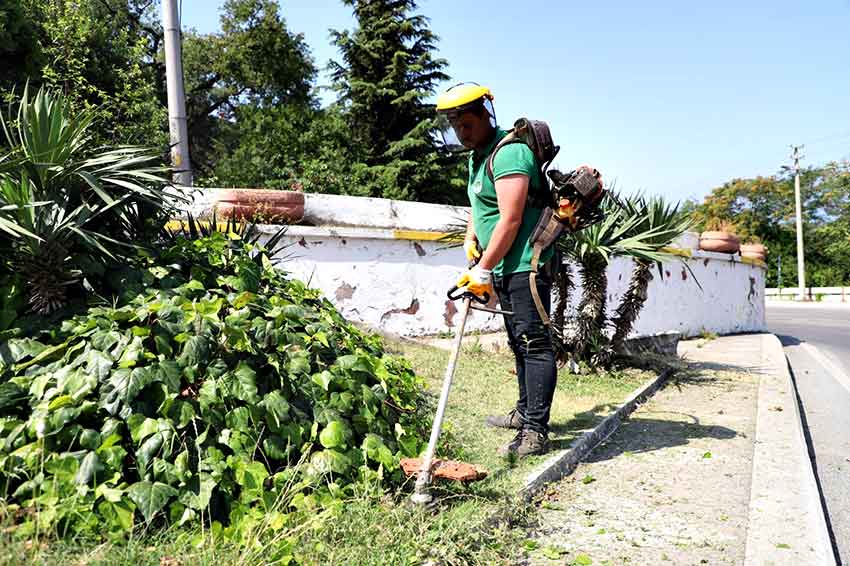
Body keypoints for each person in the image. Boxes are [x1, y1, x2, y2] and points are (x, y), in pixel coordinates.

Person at [435, 83, 602, 457]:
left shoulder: (508, 154)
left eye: (466, 123)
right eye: (455, 126)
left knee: (535, 344)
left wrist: (483, 268)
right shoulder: (478, 157)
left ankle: (535, 432)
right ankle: (524, 413)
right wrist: (470, 238)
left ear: (484, 115)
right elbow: (484, 206)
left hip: (526, 263)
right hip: (503, 265)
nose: (461, 132)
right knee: (518, 341)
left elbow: (510, 220)